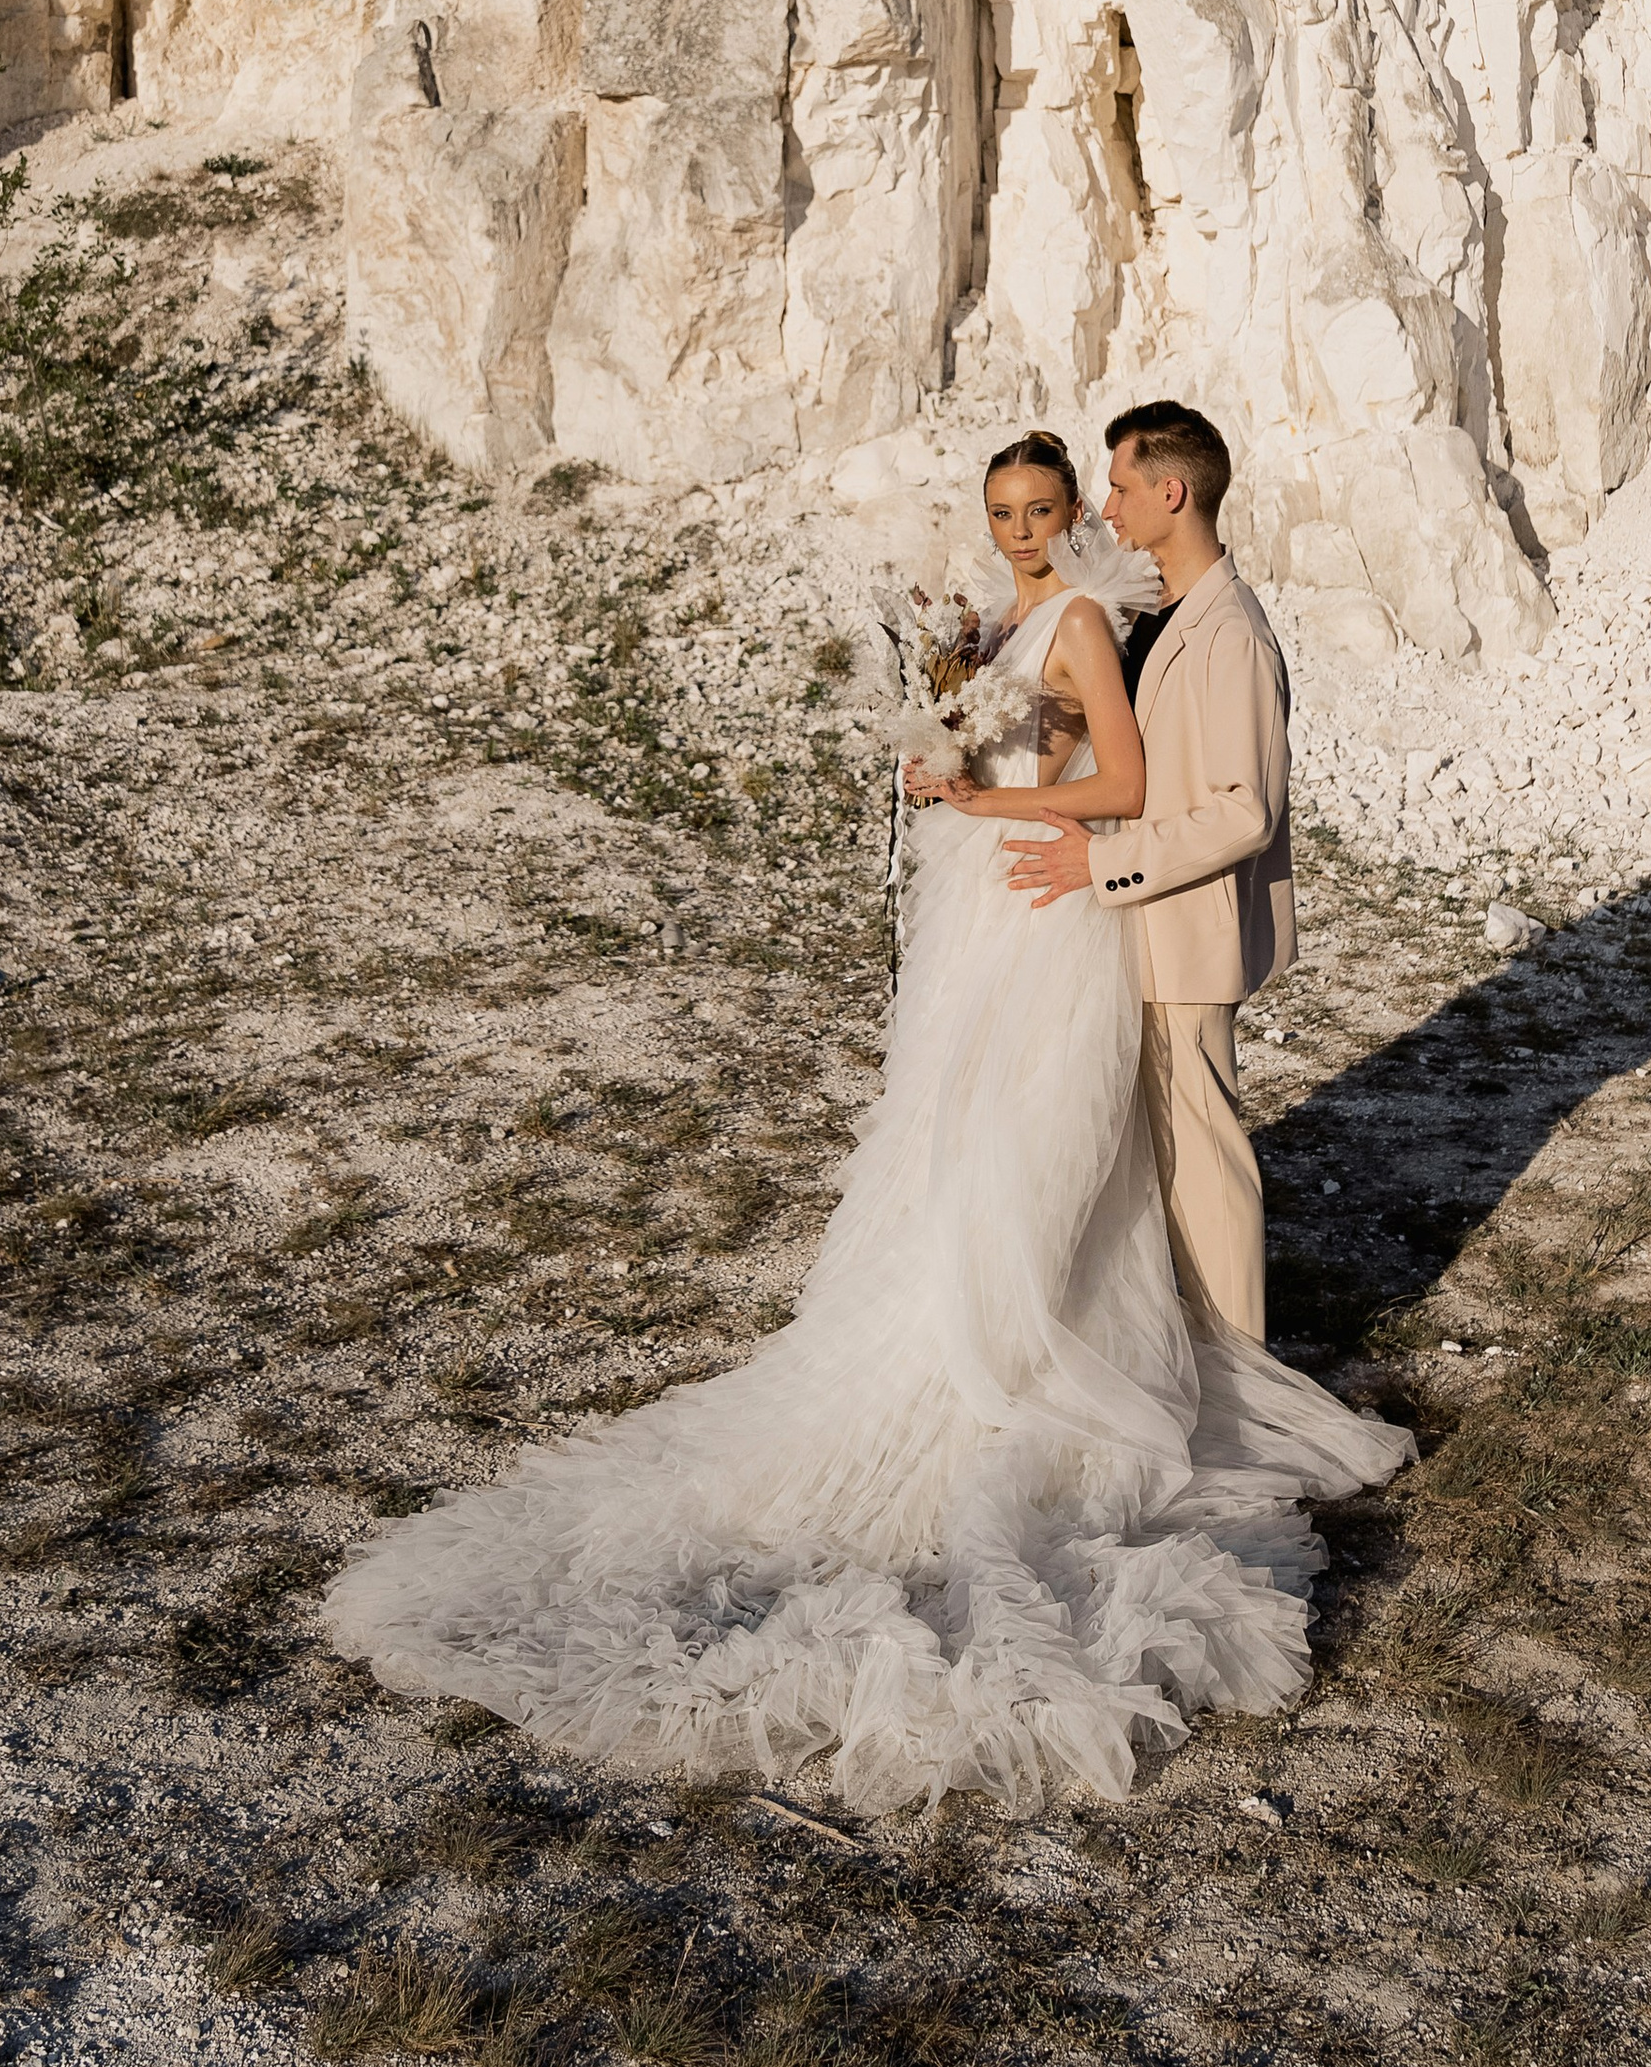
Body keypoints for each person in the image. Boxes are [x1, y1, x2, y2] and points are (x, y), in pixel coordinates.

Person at [321, 430, 1410, 1814]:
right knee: (960, 1124)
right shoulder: (1000, 623)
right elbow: (1026, 746)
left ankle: (1066, 1334)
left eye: (1047, 508)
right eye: (1005, 511)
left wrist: (990, 793)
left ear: (1084, 511)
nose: (1027, 530)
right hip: (986, 904)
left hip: (1052, 906)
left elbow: (1126, 784)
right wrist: (943, 759)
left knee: (1062, 1134)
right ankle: (1006, 1308)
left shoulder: (1089, 621)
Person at [1007, 402, 1290, 1349]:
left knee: (1203, 1160)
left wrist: (1103, 863)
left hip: (1186, 933)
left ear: (1172, 492)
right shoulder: (1161, 611)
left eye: (1122, 487)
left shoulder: (1230, 634)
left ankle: (1243, 1368)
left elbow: (1243, 811)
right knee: (1156, 1159)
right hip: (1137, 929)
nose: (1108, 508)